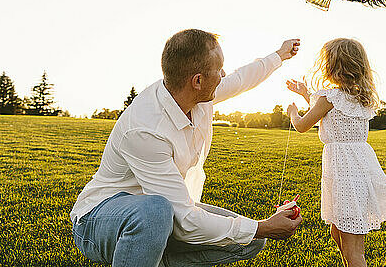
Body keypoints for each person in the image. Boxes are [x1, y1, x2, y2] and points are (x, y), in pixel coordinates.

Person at [70, 29, 303, 267]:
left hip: (161, 215)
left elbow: (240, 79)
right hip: (97, 220)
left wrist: (280, 55)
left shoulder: (195, 94)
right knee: (156, 211)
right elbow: (185, 221)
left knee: (250, 239)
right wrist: (264, 226)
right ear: (198, 80)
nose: (223, 75)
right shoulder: (145, 128)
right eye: (219, 69)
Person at [286, 38, 386, 267]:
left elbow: (302, 125)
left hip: (346, 174)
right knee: (337, 230)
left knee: (353, 249)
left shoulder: (329, 97)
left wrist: (293, 112)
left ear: (332, 66)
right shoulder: (360, 97)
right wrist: (305, 94)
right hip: (355, 170)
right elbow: (327, 108)